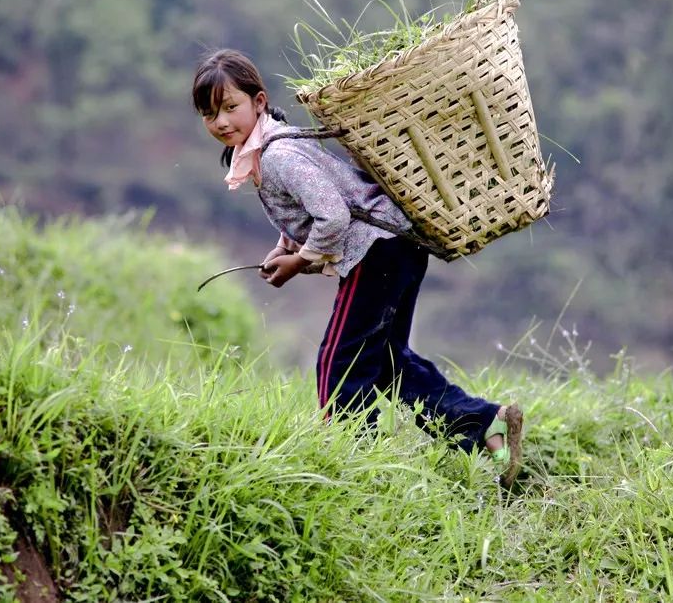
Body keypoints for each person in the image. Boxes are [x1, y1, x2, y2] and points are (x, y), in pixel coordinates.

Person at [191, 48, 523, 487]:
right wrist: (285, 246)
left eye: (230, 107)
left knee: (339, 360)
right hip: (397, 247)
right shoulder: (269, 148)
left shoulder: (277, 156)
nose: (221, 122)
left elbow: (333, 215)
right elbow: (316, 206)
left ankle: (351, 464)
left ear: (258, 101)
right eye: (210, 114)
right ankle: (485, 425)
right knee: (384, 359)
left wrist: (301, 260)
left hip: (376, 252)